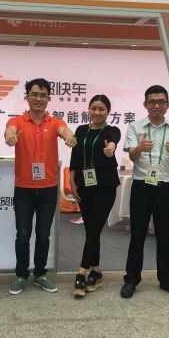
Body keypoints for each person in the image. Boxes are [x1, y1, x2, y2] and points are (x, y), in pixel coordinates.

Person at [4, 78, 77, 294]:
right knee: (23, 234)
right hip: (24, 189)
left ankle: (40, 274)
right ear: (27, 97)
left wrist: (70, 138)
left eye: (43, 95)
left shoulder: (55, 122)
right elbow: (9, 131)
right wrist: (9, 137)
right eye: (34, 94)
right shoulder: (17, 121)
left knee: (43, 234)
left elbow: (66, 131)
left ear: (48, 99)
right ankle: (21, 275)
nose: (38, 98)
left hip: (48, 188)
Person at [120, 85, 169, 299]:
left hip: (164, 187)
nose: (156, 105)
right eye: (152, 102)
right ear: (145, 104)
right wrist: (140, 148)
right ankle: (131, 279)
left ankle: (166, 280)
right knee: (137, 234)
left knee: (164, 235)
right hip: (141, 186)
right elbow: (131, 156)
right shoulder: (135, 126)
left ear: (167, 105)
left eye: (161, 102)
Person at [69, 95, 121, 297]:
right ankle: (97, 271)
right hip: (84, 185)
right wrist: (72, 181)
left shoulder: (112, 131)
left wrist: (111, 149)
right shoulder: (81, 130)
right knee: (91, 231)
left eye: (101, 109)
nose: (97, 112)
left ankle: (82, 272)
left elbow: (113, 143)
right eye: (93, 108)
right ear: (89, 110)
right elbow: (75, 157)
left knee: (93, 229)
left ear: (108, 111)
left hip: (105, 186)